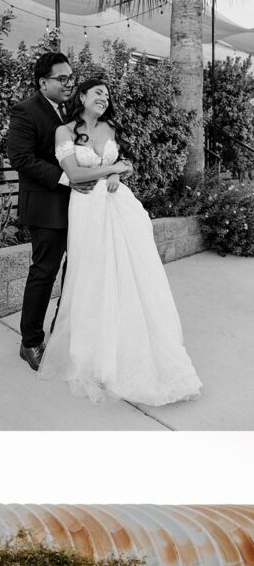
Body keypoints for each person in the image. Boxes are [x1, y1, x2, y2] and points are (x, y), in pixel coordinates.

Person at [38, 78, 202, 405]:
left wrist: (115, 173)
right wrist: (113, 168)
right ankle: (94, 356)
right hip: (86, 209)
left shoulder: (110, 129)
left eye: (107, 94)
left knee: (129, 275)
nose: (104, 97)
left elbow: (118, 167)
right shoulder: (65, 132)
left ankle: (126, 348)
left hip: (119, 208)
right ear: (82, 96)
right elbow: (75, 175)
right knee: (92, 276)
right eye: (98, 92)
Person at [7, 51, 95, 372]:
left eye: (70, 77)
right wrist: (65, 177)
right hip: (45, 207)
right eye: (62, 78)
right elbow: (21, 158)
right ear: (43, 82)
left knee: (74, 273)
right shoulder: (25, 111)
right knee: (44, 274)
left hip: (78, 207)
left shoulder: (72, 111)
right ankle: (30, 341)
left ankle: (59, 333)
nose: (68, 83)